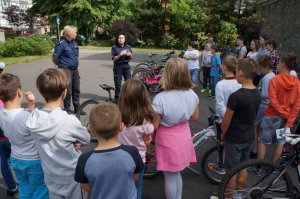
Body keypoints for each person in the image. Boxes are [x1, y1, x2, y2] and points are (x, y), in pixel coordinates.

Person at [26, 68, 90, 199]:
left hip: (50, 175)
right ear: (64, 92)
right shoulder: (69, 120)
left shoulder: (33, 118)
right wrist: (75, 141)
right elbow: (86, 138)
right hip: (72, 176)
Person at [75, 103, 144, 199]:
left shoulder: (84, 159)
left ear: (90, 128)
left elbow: (85, 186)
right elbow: (135, 177)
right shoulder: (132, 152)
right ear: (121, 126)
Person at [153, 58, 199, 199]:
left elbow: (155, 125)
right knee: (177, 172)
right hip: (184, 135)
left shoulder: (160, 99)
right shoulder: (192, 94)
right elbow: (195, 116)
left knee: (170, 175)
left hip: (167, 140)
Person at [0, 73, 49, 198]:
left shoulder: (2, 112)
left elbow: (21, 119)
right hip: (33, 161)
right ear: (19, 92)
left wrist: (31, 105)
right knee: (40, 191)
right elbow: (31, 122)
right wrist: (32, 106)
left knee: (25, 188)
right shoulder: (28, 116)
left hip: (16, 158)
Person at [221, 58, 261, 198]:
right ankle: (238, 195)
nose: (235, 73)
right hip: (248, 136)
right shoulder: (258, 93)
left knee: (231, 171)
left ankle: (228, 196)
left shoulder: (236, 97)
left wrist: (223, 134)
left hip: (235, 138)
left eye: (236, 71)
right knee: (243, 167)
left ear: (242, 72)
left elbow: (225, 122)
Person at [257, 53, 300, 165]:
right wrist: (289, 119)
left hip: (271, 115)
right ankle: (273, 167)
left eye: (279, 62)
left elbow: (273, 101)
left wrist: (283, 113)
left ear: (284, 65)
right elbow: (297, 105)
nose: (278, 64)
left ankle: (258, 166)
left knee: (262, 140)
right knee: (280, 143)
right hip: (286, 118)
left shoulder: (275, 80)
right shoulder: (297, 83)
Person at [118, 79, 155, 199]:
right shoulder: (146, 122)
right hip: (138, 159)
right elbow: (147, 139)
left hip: (120, 158)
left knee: (120, 188)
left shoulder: (117, 117)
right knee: (136, 188)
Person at [250, 56, 275, 159]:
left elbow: (265, 94)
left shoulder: (267, 78)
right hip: (266, 106)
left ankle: (254, 150)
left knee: (255, 126)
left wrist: (255, 92)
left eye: (260, 69)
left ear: (266, 67)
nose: (259, 71)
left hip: (263, 106)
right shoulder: (272, 75)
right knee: (257, 127)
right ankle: (254, 149)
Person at [52, 25, 81, 114]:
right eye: (75, 33)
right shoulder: (61, 44)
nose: (76, 34)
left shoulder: (74, 43)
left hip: (75, 70)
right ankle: (67, 109)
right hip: (65, 70)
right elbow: (54, 58)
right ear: (69, 34)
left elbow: (76, 55)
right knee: (68, 91)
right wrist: (61, 66)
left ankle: (77, 108)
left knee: (76, 89)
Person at [0, 65, 19, 197]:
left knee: (4, 162)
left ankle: (11, 187)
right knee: (17, 160)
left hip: (1, 138)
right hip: (9, 137)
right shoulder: (4, 104)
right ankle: (21, 184)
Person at [111, 34, 133, 101]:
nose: (121, 39)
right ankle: (117, 98)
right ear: (117, 39)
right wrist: (120, 55)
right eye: (119, 38)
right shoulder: (114, 47)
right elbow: (114, 59)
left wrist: (129, 55)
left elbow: (131, 57)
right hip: (118, 66)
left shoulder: (128, 47)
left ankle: (128, 97)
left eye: (122, 38)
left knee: (128, 82)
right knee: (118, 83)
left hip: (126, 66)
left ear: (125, 39)